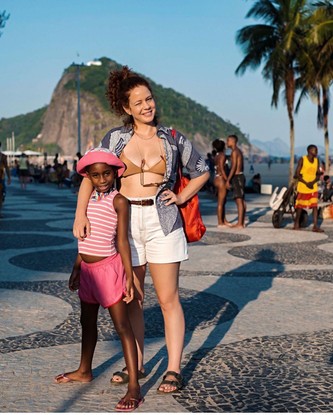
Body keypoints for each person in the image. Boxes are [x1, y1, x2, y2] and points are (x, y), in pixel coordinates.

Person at [73, 66, 210, 393]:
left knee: (168, 298)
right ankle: (137, 361)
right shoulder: (115, 140)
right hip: (125, 223)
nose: (147, 106)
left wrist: (180, 196)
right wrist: (80, 215)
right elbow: (89, 177)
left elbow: (203, 170)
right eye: (139, 102)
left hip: (163, 222)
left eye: (149, 98)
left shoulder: (173, 137)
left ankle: (173, 368)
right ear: (126, 108)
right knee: (132, 297)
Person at [55, 148, 143, 412]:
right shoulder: (88, 199)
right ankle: (85, 370)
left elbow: (122, 241)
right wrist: (77, 266)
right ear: (89, 177)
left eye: (107, 174)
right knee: (87, 322)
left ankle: (134, 388)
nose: (102, 179)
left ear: (115, 173)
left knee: (122, 326)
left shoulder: (119, 201)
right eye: (96, 175)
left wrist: (128, 276)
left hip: (109, 270)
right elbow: (85, 236)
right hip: (89, 272)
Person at [294, 144, 323, 232]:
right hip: (303, 186)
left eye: (317, 150)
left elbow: (318, 173)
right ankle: (296, 224)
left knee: (314, 206)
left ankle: (315, 226)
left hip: (313, 187)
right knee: (299, 207)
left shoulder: (317, 161)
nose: (316, 152)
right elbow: (297, 174)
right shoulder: (302, 159)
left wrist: (313, 182)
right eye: (315, 150)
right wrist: (306, 183)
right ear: (309, 151)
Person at [226, 134, 246, 228]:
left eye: (228, 140)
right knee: (241, 200)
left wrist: (228, 180)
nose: (227, 142)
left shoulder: (234, 152)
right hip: (240, 176)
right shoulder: (238, 151)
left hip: (237, 177)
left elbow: (233, 167)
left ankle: (240, 223)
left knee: (239, 200)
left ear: (233, 141)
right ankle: (241, 222)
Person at [212, 139, 230, 227]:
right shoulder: (222, 155)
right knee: (221, 202)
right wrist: (227, 180)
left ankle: (224, 220)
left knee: (223, 201)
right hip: (221, 179)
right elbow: (222, 170)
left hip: (216, 178)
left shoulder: (216, 156)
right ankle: (220, 222)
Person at [0, 144, 11, 218]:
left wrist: (9, 177)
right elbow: (6, 167)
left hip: (1, 176)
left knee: (2, 192)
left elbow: (6, 167)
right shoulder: (3, 156)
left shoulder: (3, 156)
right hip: (2, 177)